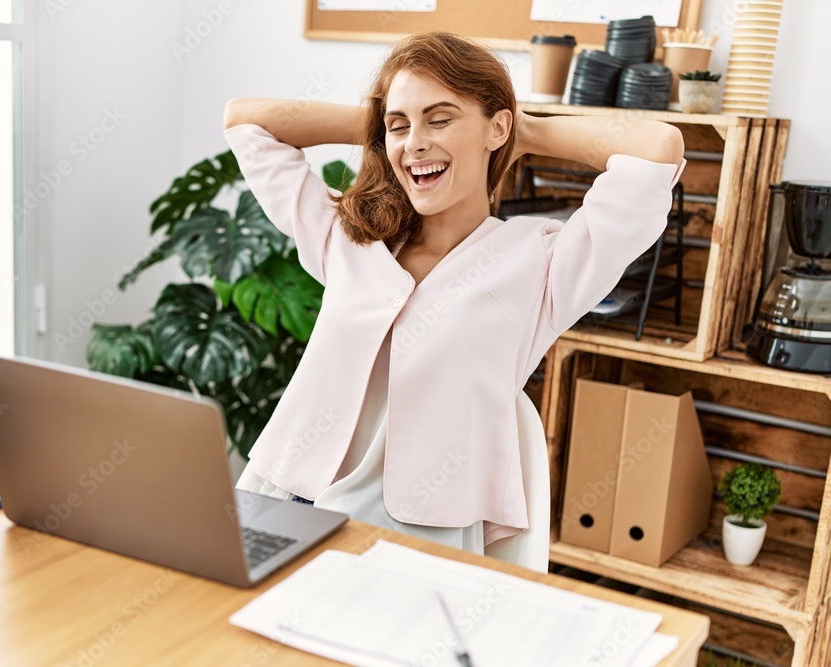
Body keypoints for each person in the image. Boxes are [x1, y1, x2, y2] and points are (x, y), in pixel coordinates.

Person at [223, 31, 684, 554]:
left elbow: (657, 149)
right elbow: (247, 120)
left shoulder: (544, 262)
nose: (414, 144)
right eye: (399, 125)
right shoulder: (350, 236)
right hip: (283, 496)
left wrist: (526, 131)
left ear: (498, 127)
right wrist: (387, 124)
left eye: (440, 119)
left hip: (415, 533)